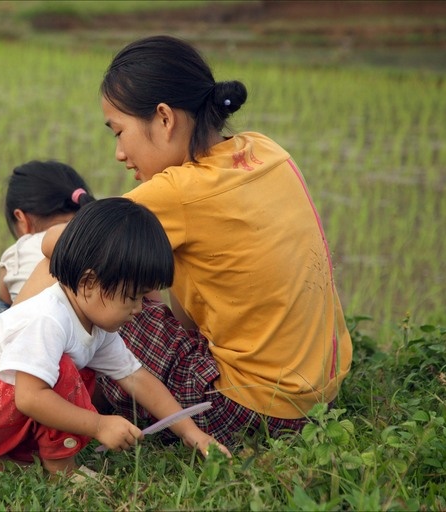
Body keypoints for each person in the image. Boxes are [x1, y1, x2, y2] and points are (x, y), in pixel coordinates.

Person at [19, 35, 353, 451]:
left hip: (250, 409)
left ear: (164, 118)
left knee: (68, 276)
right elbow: (188, 310)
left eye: (119, 133)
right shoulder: (265, 150)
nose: (120, 154)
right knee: (122, 282)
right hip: (317, 399)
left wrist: (54, 243)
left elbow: (58, 244)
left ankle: (7, 392)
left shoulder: (179, 191)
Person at [0, 198, 231, 473]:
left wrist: (191, 433)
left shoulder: (93, 321)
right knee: (63, 372)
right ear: (89, 282)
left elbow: (137, 378)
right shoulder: (48, 318)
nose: (139, 309)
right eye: (132, 297)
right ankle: (54, 468)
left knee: (78, 374)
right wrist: (100, 425)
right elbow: (30, 397)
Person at [0, 160, 94, 327]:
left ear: (21, 218)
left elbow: (8, 303)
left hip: (33, 336)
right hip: (86, 333)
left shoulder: (19, 250)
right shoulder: (99, 240)